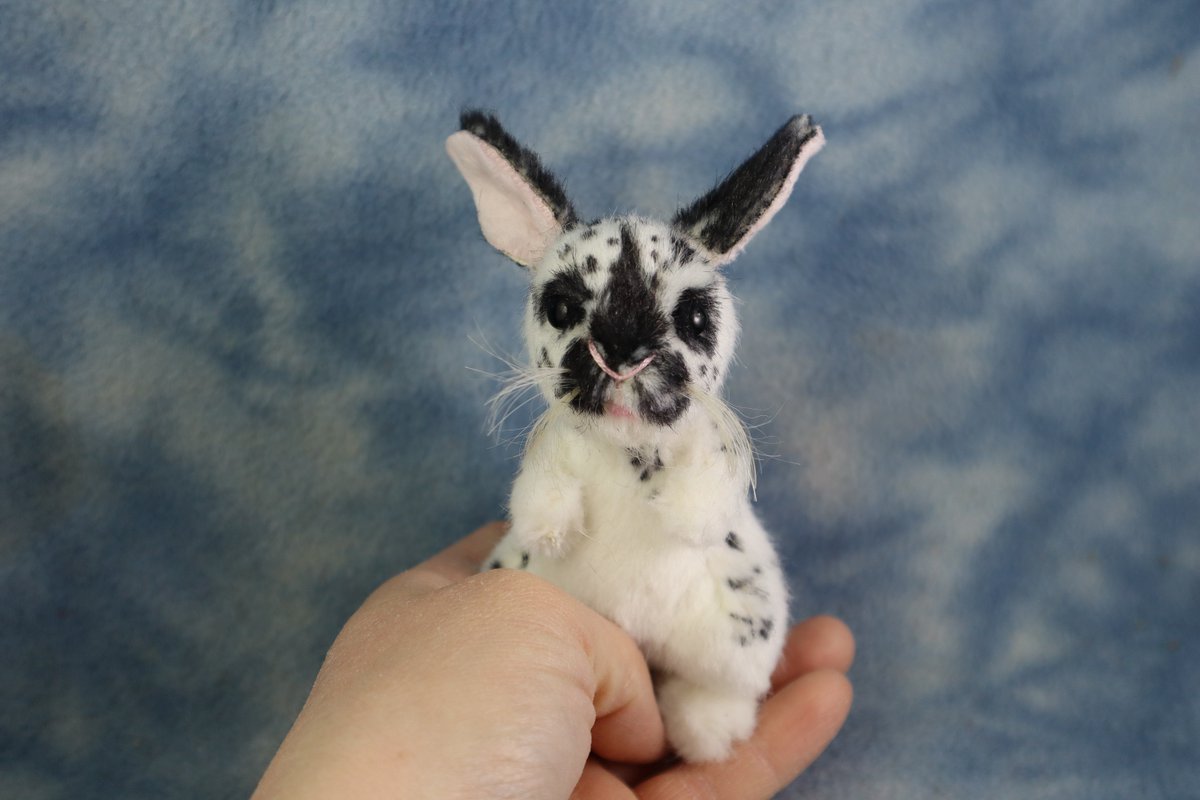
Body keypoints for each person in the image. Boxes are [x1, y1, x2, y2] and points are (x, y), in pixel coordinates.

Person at [253, 522, 854, 799]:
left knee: (724, 649)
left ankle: (714, 680)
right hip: (569, 609)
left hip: (680, 593)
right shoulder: (565, 452)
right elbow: (540, 517)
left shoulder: (703, 461)